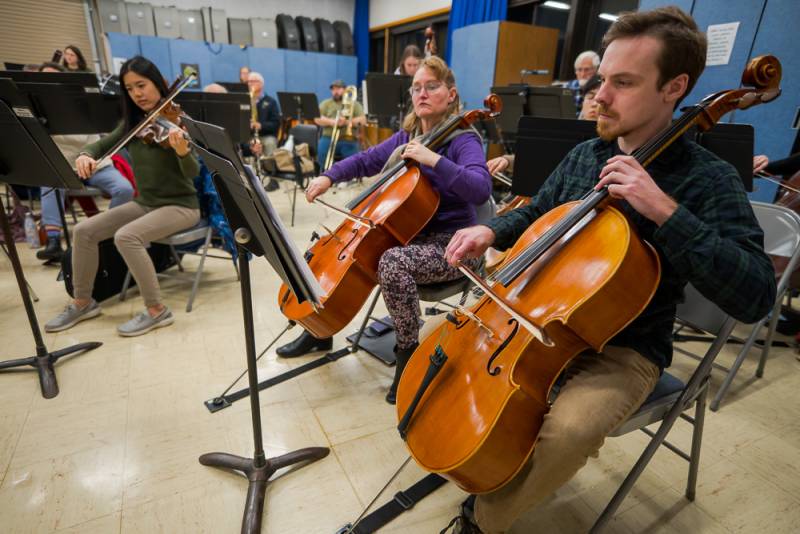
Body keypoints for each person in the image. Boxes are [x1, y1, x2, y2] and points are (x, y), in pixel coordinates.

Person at [441, 7, 776, 533]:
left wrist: (663, 209)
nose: (600, 96)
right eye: (602, 81)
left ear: (675, 87)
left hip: (624, 349)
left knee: (570, 429)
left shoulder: (708, 178)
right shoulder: (584, 155)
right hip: (541, 316)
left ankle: (484, 519)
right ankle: (477, 459)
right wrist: (493, 231)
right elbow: (536, 211)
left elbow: (756, 294)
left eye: (622, 83)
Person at [277, 56, 492, 405]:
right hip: (412, 239)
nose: (422, 93)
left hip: (454, 245)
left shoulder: (463, 139)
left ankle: (408, 353)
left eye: (432, 86)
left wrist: (432, 159)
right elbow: (365, 159)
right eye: (417, 87)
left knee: (391, 262)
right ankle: (318, 329)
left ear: (451, 94)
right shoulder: (409, 136)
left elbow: (480, 189)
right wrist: (328, 175)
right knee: (325, 249)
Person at [44, 56, 201, 337]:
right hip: (146, 203)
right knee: (84, 230)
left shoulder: (178, 121)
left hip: (181, 205)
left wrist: (182, 151)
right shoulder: (134, 123)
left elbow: (192, 173)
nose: (137, 93)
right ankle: (83, 302)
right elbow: (102, 145)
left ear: (159, 83)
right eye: (130, 89)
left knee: (126, 236)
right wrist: (85, 155)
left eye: (142, 85)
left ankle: (157, 310)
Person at [36, 62, 135, 263]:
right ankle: (53, 241)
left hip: (94, 162)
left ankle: (104, 234)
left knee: (124, 189)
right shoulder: (37, 107)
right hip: (62, 165)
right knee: (49, 184)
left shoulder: (80, 100)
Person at [485, 74, 601, 177]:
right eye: (590, 97)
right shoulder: (570, 132)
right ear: (582, 101)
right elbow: (541, 159)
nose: (594, 104)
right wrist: (507, 161)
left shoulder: (608, 142)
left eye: (599, 99)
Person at [315, 79, 367, 170]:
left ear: (345, 90)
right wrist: (333, 122)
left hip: (348, 139)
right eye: (333, 89)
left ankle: (347, 177)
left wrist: (347, 122)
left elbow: (363, 121)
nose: (335, 92)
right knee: (322, 154)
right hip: (328, 137)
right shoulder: (326, 103)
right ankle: (328, 173)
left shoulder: (354, 104)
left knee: (352, 160)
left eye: (338, 89)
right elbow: (317, 118)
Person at [246, 71, 280, 159]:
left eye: (253, 81)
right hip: (249, 136)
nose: (250, 84)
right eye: (249, 81)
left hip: (266, 135)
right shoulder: (244, 100)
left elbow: (275, 123)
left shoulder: (271, 102)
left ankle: (270, 169)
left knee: (270, 143)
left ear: (261, 84)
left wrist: (260, 125)